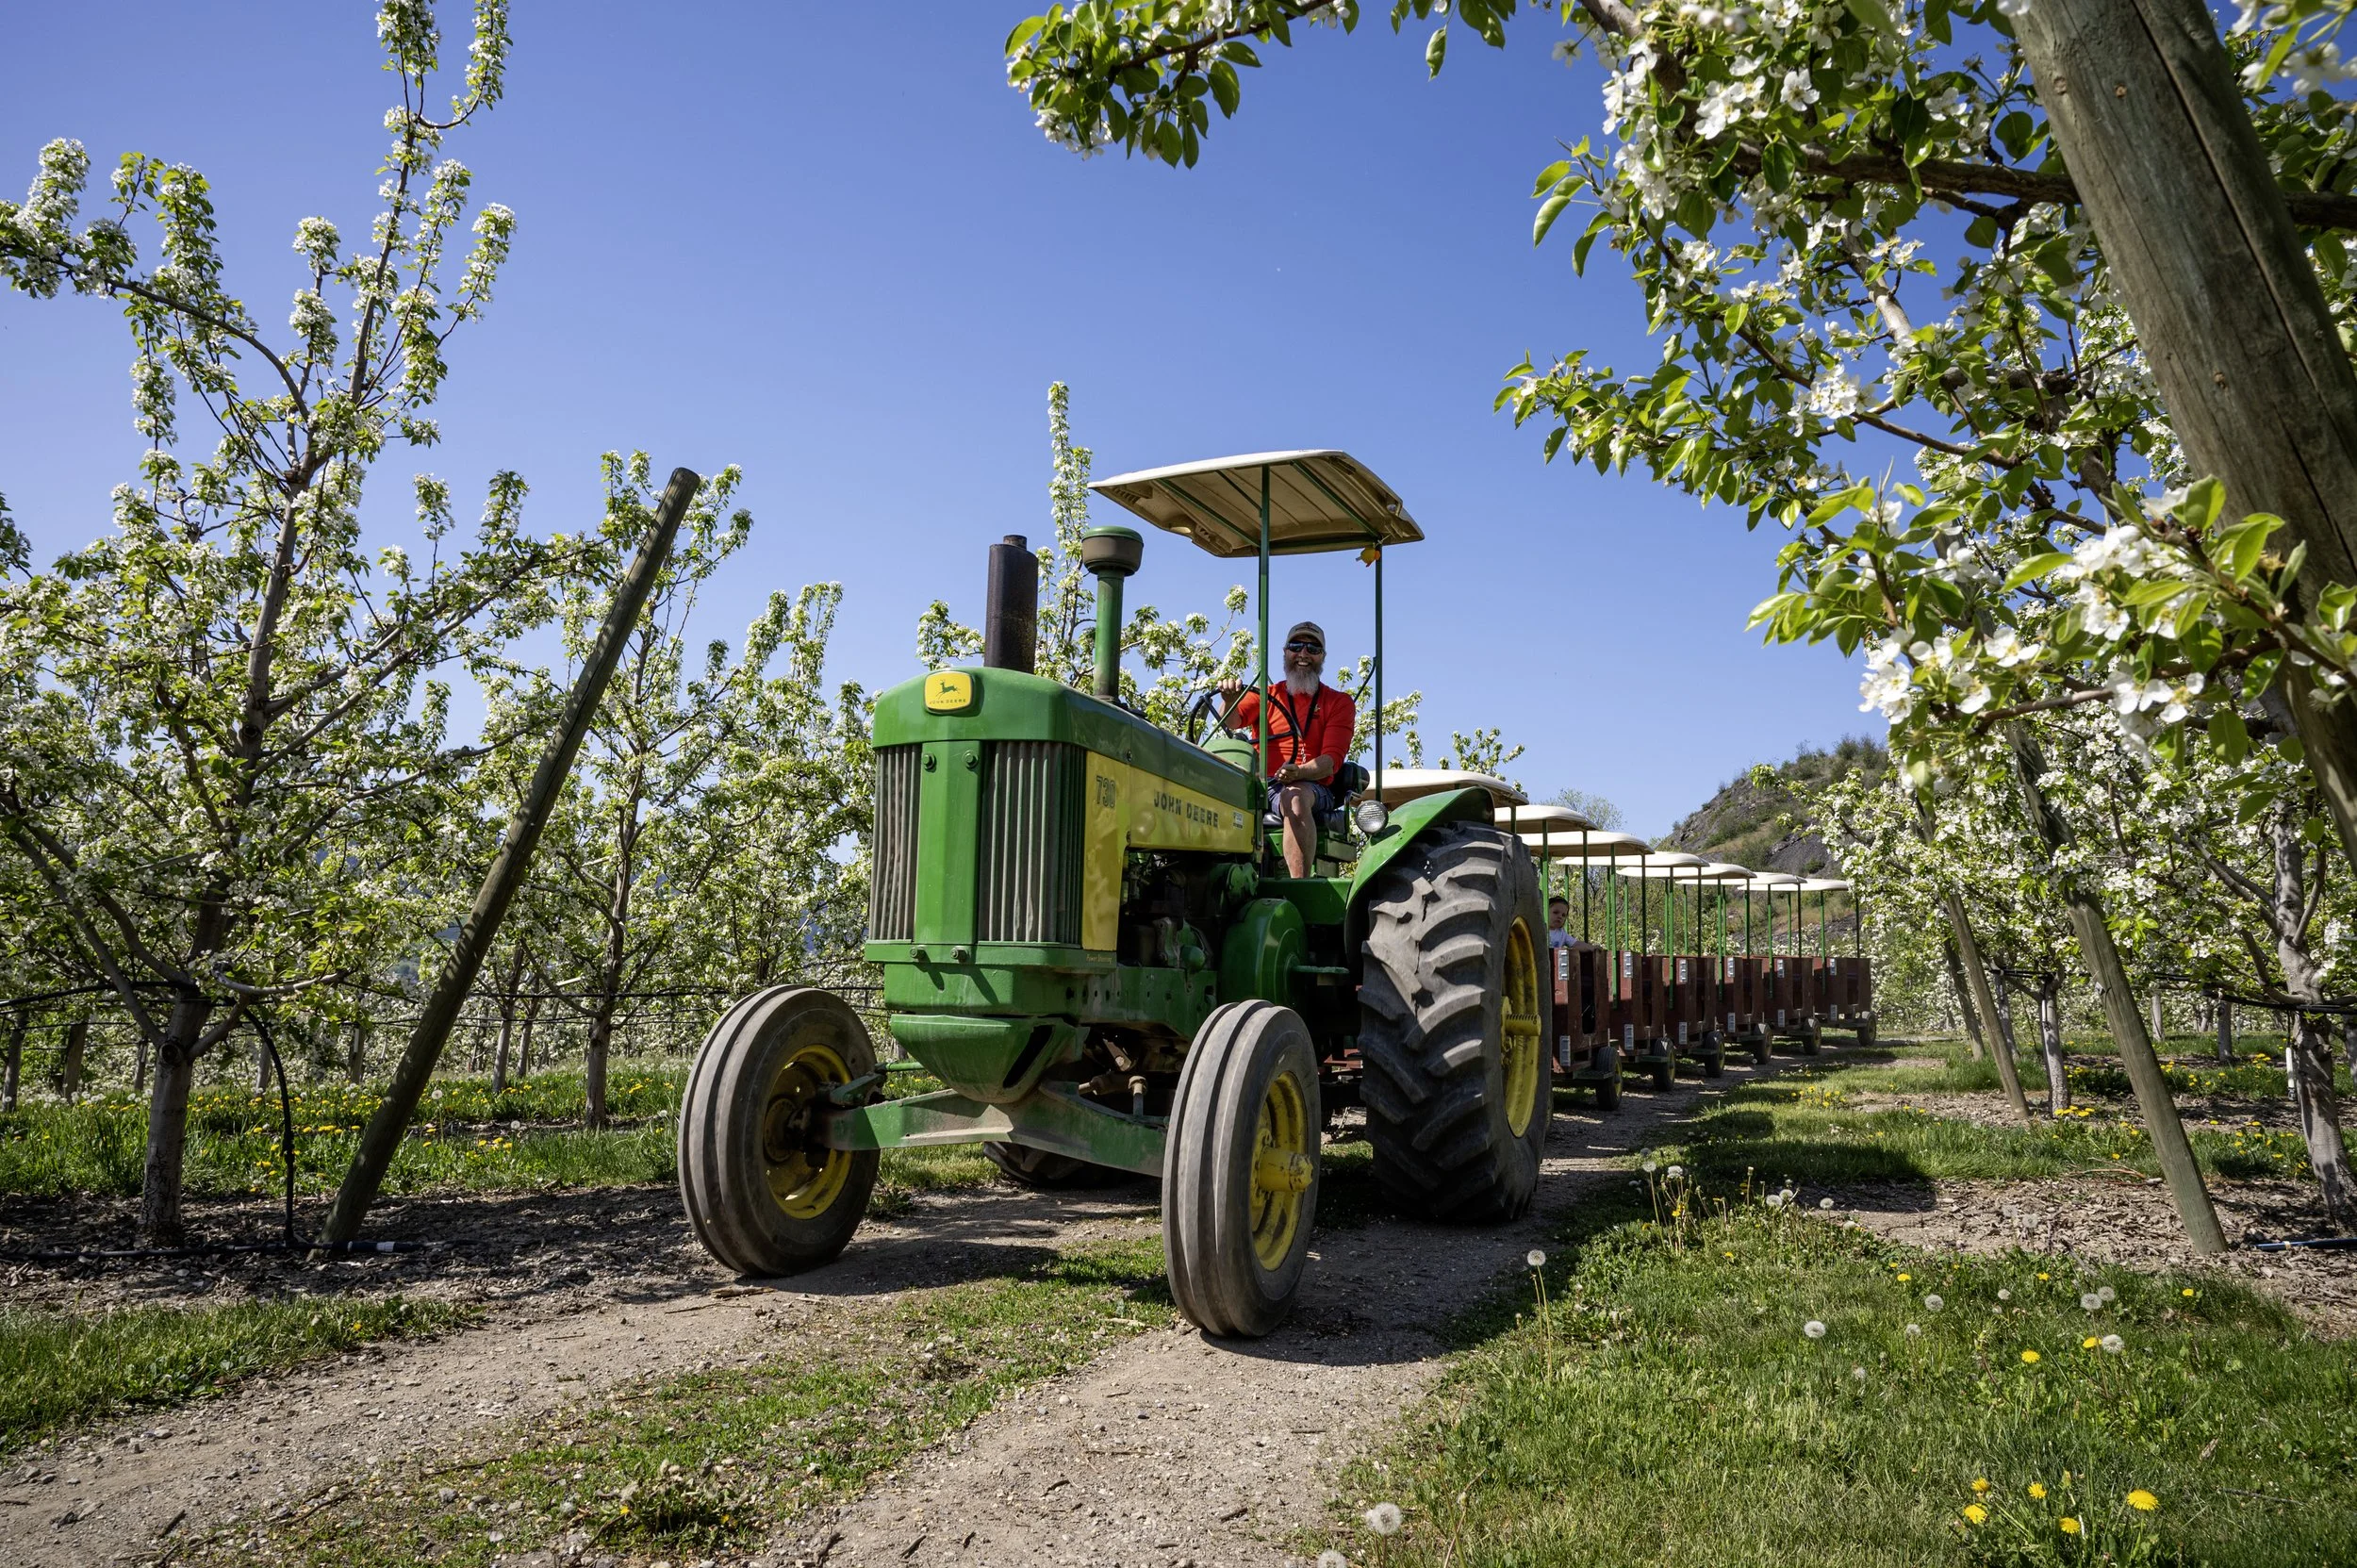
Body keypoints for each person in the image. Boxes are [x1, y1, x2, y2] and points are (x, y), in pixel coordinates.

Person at [1219, 620, 1357, 878]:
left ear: (1322, 657)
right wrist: (1228, 700)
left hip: (1315, 788)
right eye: (1296, 646)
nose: (1303, 654)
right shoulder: (1266, 696)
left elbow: (1329, 763)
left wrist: (1298, 772)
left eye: (1313, 649)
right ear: (1285, 652)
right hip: (1264, 787)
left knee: (1295, 797)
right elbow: (1232, 720)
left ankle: (1298, 886)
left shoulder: (1339, 702)